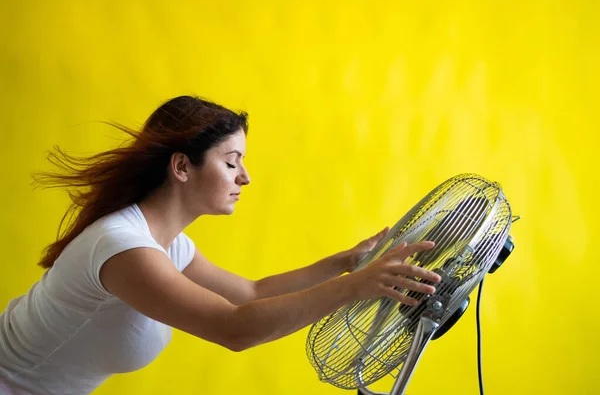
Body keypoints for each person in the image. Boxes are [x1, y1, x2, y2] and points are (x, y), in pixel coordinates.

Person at [0, 95, 441, 395]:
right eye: (232, 162)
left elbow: (252, 293)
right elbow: (235, 328)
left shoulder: (168, 245)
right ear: (181, 167)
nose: (244, 177)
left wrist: (345, 263)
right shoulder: (125, 249)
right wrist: (357, 286)